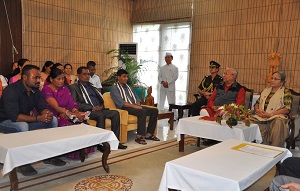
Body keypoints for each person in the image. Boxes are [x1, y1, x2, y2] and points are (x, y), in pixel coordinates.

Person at [0, 64, 65, 176]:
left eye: (38, 77)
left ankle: (49, 156)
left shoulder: (35, 91)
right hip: (5, 121)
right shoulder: (11, 91)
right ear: (25, 77)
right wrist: (37, 118)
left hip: (25, 120)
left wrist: (46, 114)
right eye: (35, 77)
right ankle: (22, 163)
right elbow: (14, 117)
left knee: (53, 120)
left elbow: (41, 107)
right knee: (22, 126)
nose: (38, 80)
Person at [69, 67, 127, 149]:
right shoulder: (74, 87)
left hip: (98, 109)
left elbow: (100, 99)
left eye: (88, 74)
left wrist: (100, 106)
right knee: (100, 115)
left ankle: (115, 141)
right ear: (78, 75)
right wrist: (92, 107)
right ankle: (101, 144)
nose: (87, 76)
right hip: (86, 111)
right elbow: (75, 103)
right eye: (84, 74)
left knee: (115, 113)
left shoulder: (92, 86)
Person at [110, 69, 159, 145]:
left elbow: (137, 98)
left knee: (154, 110)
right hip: (124, 108)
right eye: (124, 76)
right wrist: (135, 106)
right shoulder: (114, 88)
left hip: (134, 106)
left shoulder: (129, 87)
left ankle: (149, 134)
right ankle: (139, 136)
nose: (126, 78)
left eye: (127, 77)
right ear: (118, 77)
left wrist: (138, 104)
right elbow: (121, 103)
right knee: (142, 111)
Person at [251, 71, 292, 147]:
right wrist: (257, 110)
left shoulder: (286, 92)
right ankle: (257, 148)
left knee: (278, 123)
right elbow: (257, 103)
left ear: (282, 82)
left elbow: (287, 108)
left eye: (276, 79)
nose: (272, 80)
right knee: (248, 122)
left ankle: (275, 149)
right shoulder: (266, 90)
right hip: (262, 116)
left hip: (276, 117)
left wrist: (270, 114)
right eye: (272, 78)